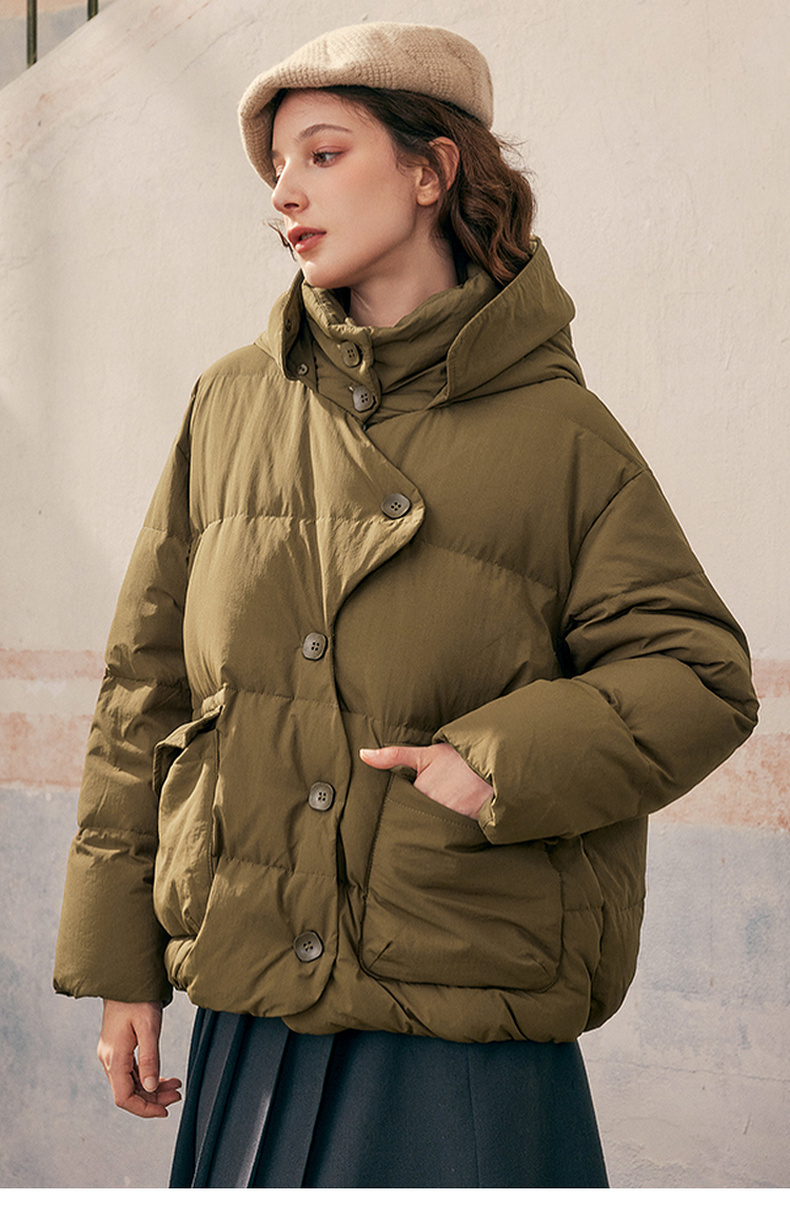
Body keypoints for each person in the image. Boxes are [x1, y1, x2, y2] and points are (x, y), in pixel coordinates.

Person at [54, 22, 758, 1189]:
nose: (284, 192)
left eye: (324, 154)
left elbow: (698, 676)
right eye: (277, 166)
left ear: (432, 171)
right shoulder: (231, 405)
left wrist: (495, 761)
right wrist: (121, 964)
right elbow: (147, 689)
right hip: (252, 1002)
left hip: (456, 1015)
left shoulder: (559, 433)